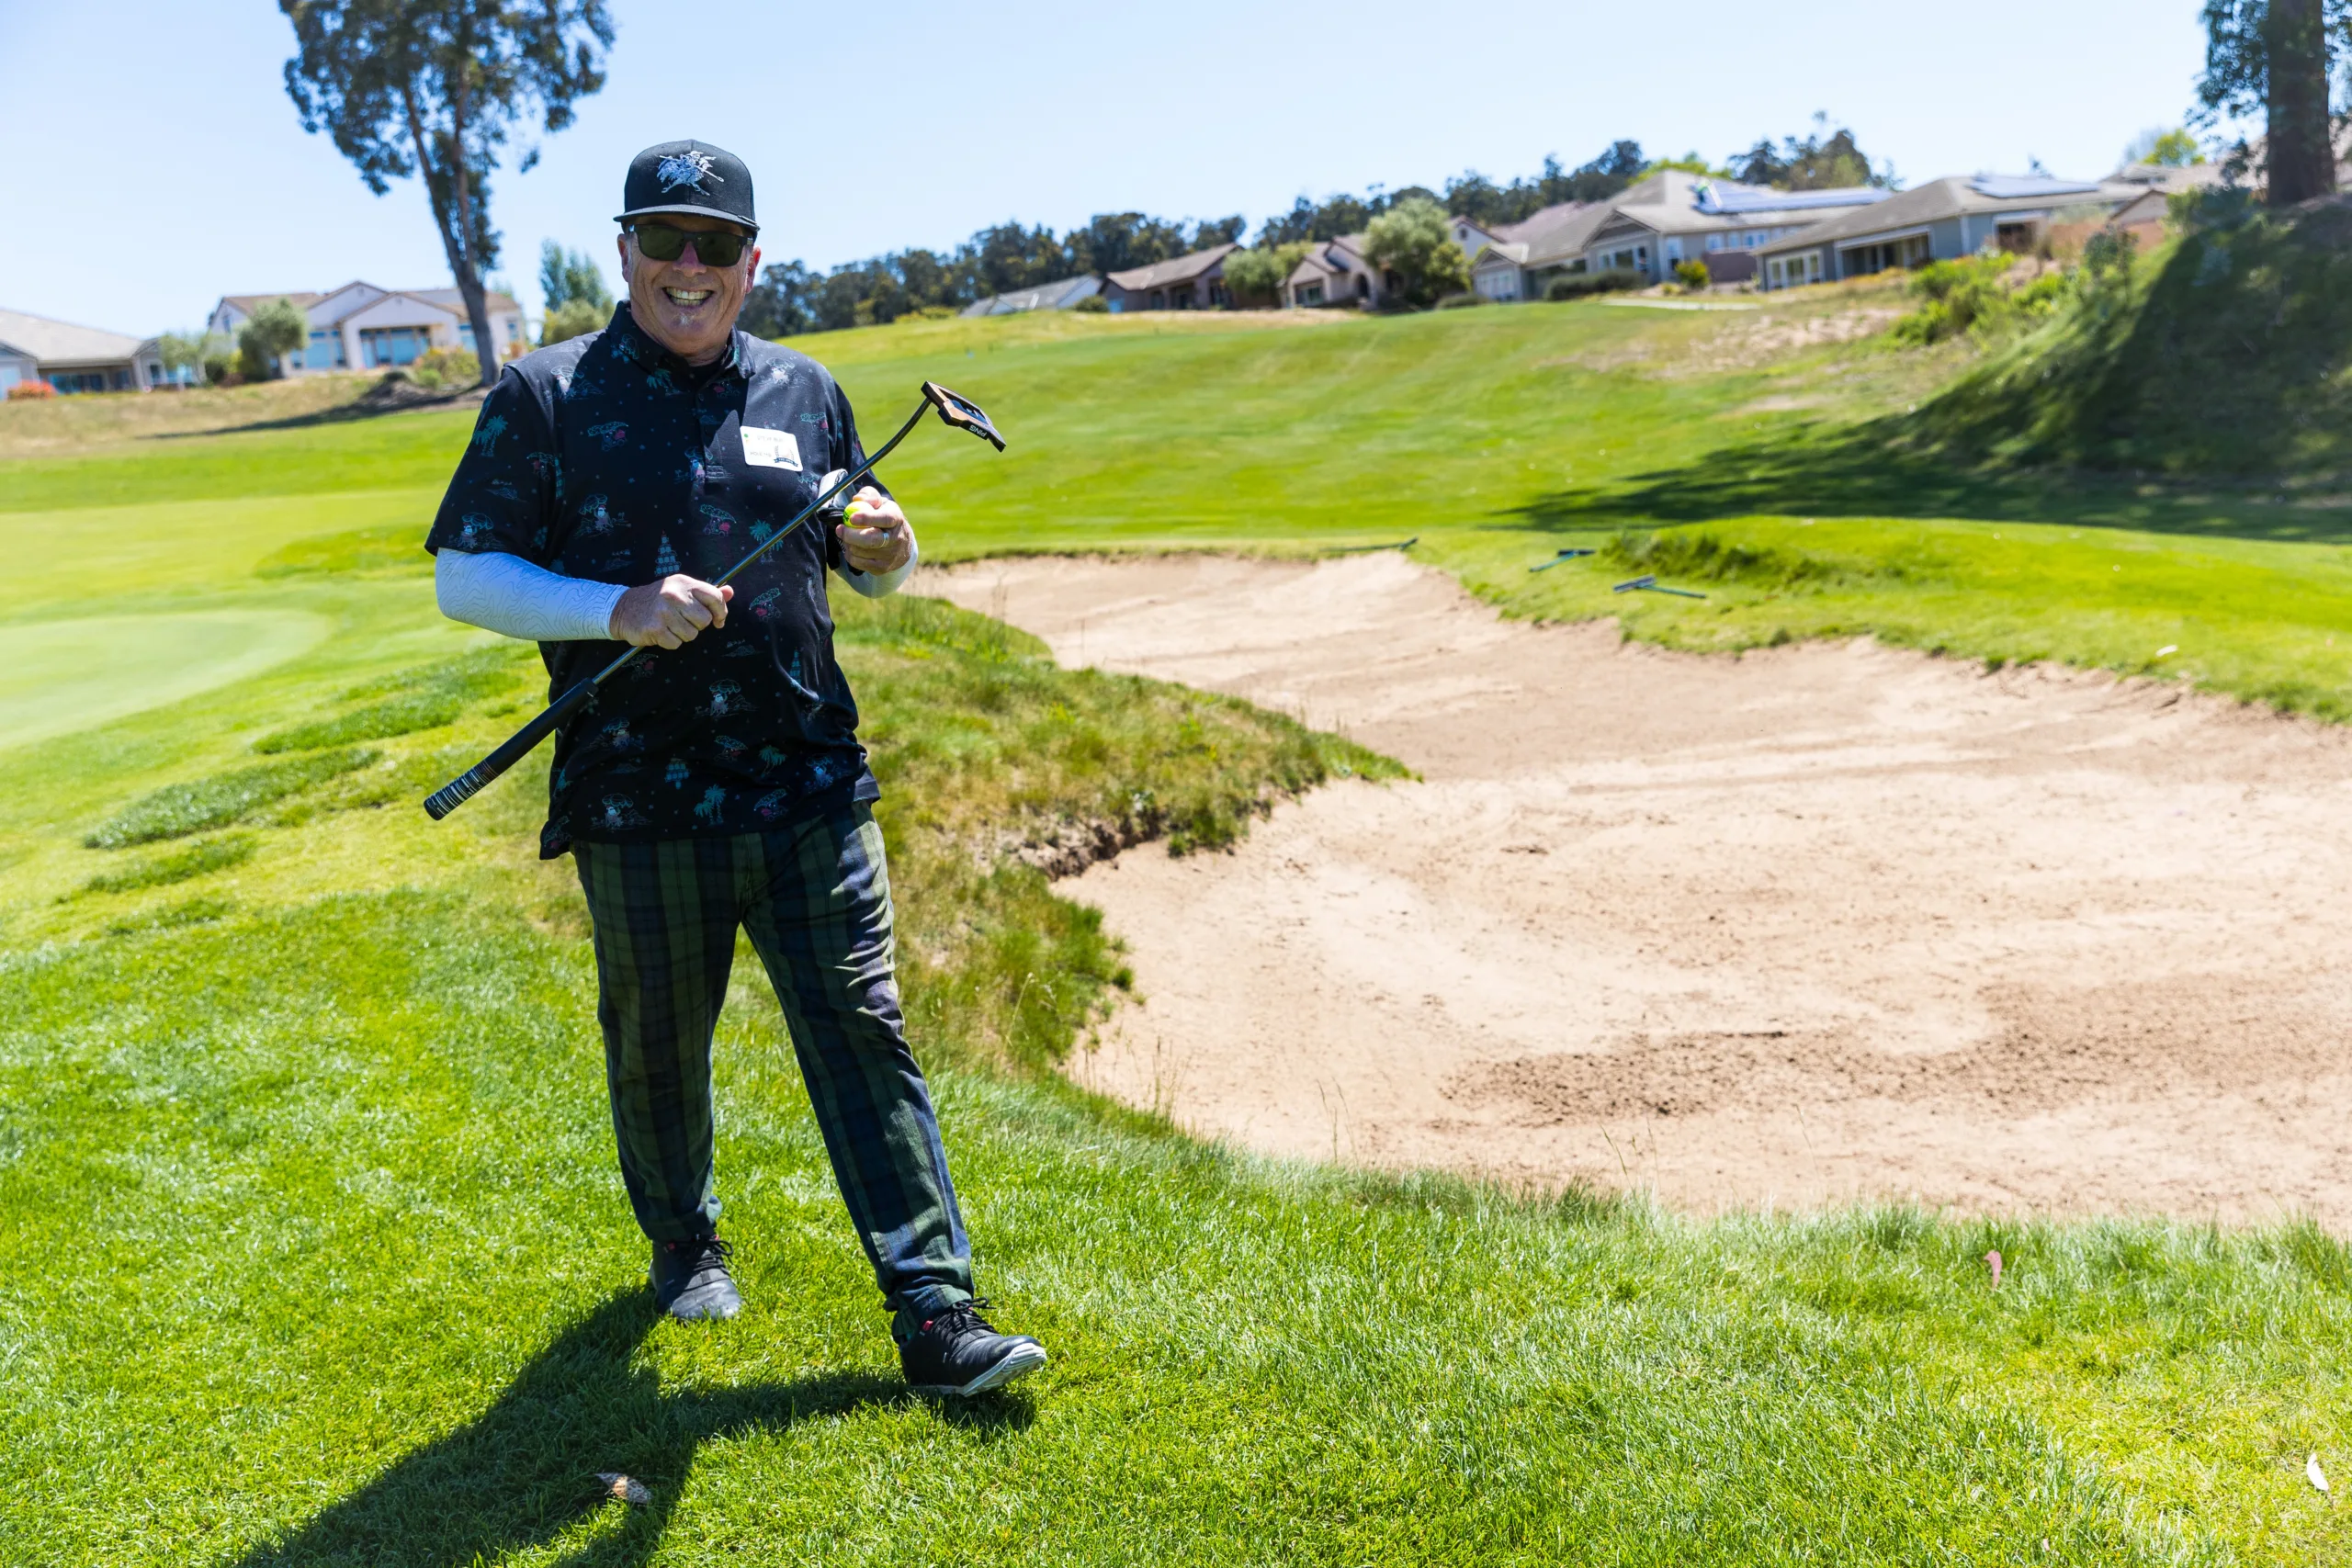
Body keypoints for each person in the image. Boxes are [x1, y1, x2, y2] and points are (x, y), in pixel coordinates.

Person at [424, 139, 1046, 1398]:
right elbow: (466, 575)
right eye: (667, 240)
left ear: (752, 262)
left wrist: (887, 546)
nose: (690, 266)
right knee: (659, 1046)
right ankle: (684, 1237)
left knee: (865, 1032)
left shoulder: (807, 391)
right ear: (625, 252)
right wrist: (620, 609)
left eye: (717, 244)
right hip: (638, 800)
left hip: (809, 781)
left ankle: (936, 1310)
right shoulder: (546, 396)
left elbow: (857, 559)